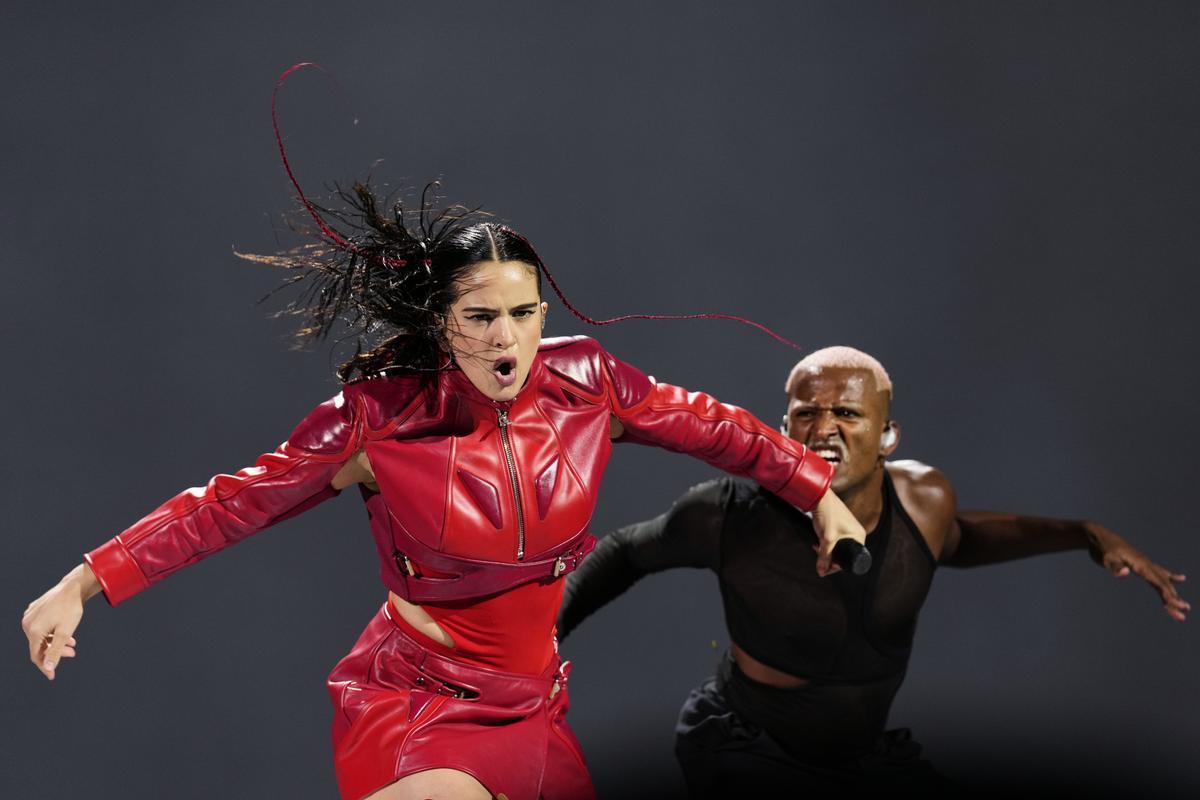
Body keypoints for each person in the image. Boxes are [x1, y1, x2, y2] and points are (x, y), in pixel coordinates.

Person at [19, 170, 868, 800]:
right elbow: (231, 504)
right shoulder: (376, 422)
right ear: (440, 321)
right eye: (481, 316)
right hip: (419, 701)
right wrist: (86, 580)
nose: (508, 339)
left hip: (535, 706)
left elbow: (713, 426)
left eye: (526, 313)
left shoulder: (590, 385)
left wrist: (820, 497)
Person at [557, 345, 1189, 796]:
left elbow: (960, 540)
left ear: (888, 436)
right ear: (782, 428)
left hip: (863, 758)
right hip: (746, 748)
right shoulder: (729, 514)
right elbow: (624, 552)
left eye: (848, 415)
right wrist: (533, 641)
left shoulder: (925, 500)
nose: (824, 428)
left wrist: (1083, 535)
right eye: (806, 413)